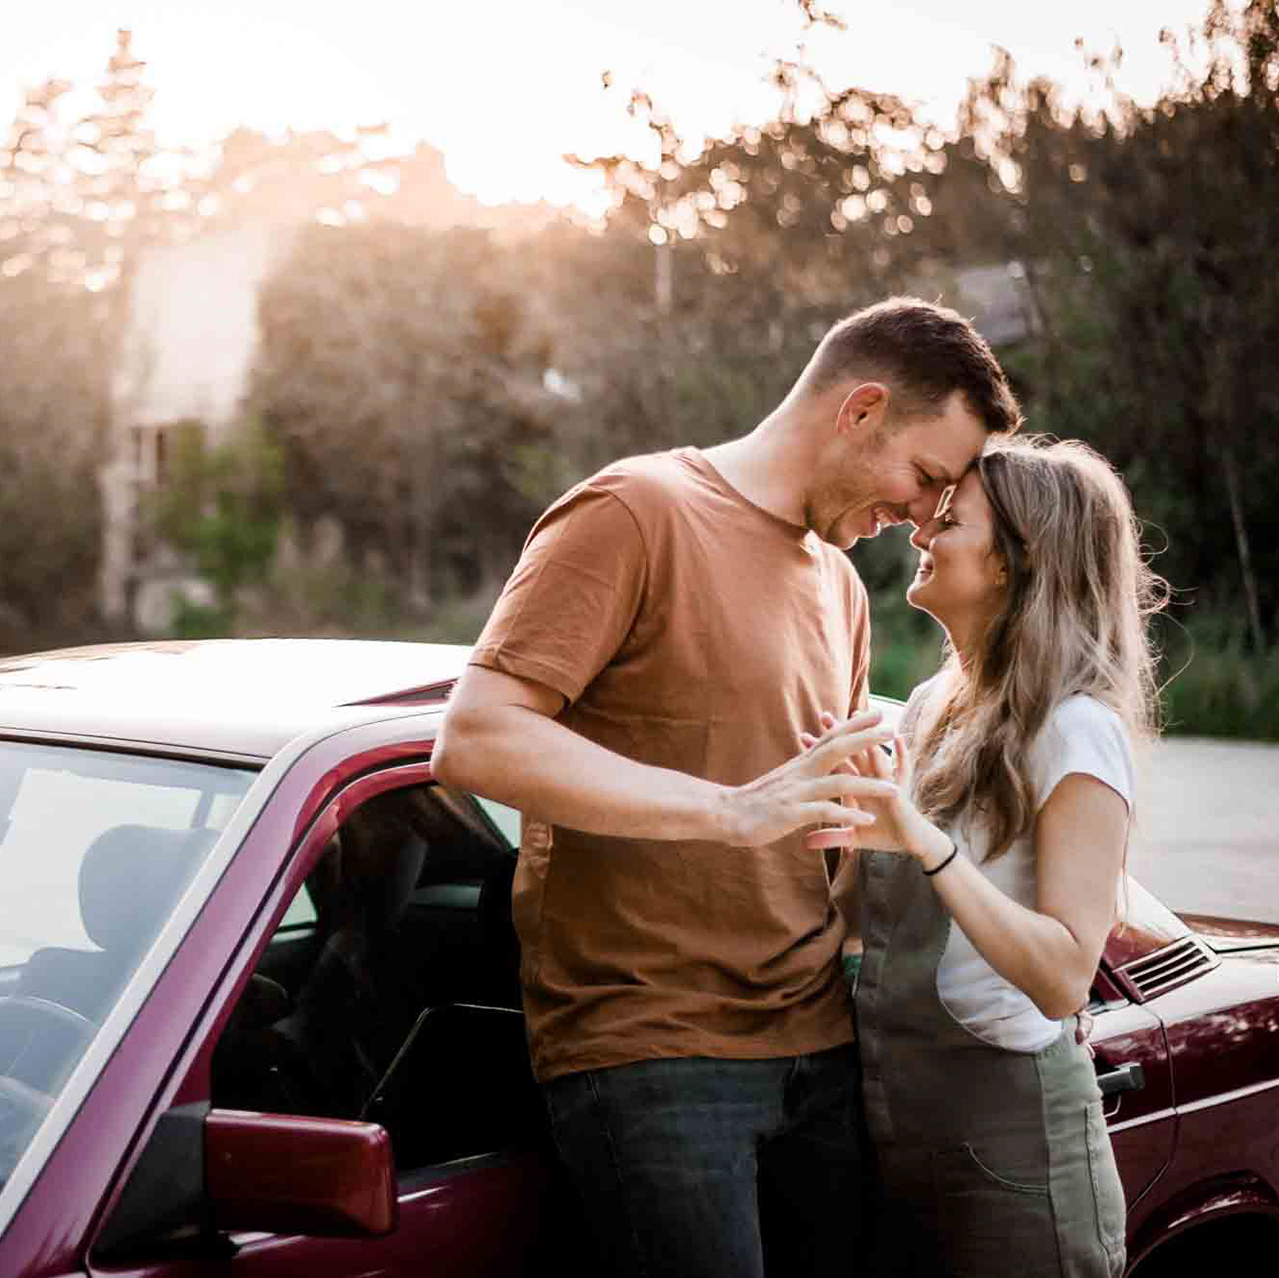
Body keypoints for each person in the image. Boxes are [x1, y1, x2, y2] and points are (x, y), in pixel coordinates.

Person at [432, 297, 1022, 1278]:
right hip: (654, 1054)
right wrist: (729, 811)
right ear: (860, 408)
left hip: (819, 1047)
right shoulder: (634, 512)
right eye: (923, 477)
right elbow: (477, 736)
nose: (921, 516)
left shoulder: (836, 587)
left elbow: (822, 825)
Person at [805, 436, 1166, 1278]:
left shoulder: (1078, 731)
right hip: (899, 1130)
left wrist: (923, 842)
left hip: (1016, 1152)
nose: (918, 535)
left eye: (947, 521)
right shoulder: (926, 708)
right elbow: (860, 924)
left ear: (1012, 561)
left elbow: (1066, 975)